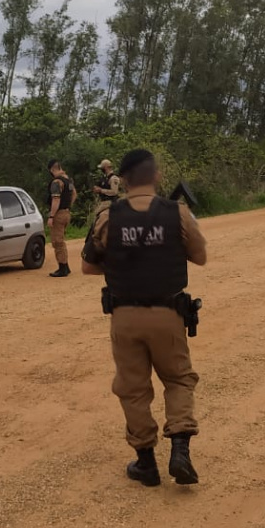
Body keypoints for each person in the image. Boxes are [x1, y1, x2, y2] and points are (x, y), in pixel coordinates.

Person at [81, 149, 208, 487]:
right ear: (157, 176)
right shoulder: (178, 213)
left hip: (124, 315)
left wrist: (125, 261)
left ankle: (146, 462)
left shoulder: (107, 217)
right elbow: (200, 257)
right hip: (168, 314)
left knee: (133, 388)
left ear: (122, 180)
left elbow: (88, 266)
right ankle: (180, 449)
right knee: (178, 379)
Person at [46, 159, 77, 278]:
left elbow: (56, 199)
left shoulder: (56, 182)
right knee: (61, 240)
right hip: (67, 212)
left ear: (52, 169)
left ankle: (63, 267)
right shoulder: (68, 180)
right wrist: (68, 206)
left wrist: (52, 216)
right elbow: (74, 194)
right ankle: (65, 266)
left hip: (58, 214)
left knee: (57, 241)